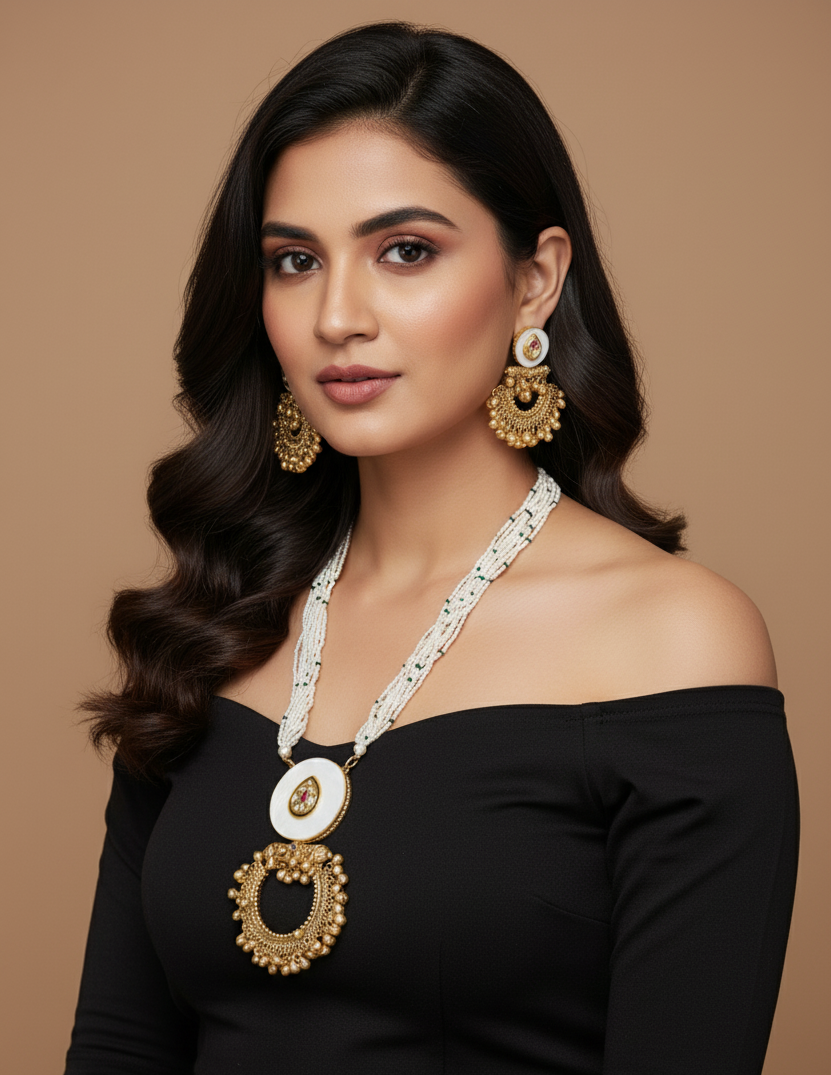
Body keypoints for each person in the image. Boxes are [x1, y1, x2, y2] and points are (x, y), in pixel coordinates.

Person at [64, 20, 798, 1075]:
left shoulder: (674, 639)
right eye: (294, 261)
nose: (337, 316)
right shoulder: (215, 622)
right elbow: (118, 1046)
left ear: (535, 280)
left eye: (405, 251)